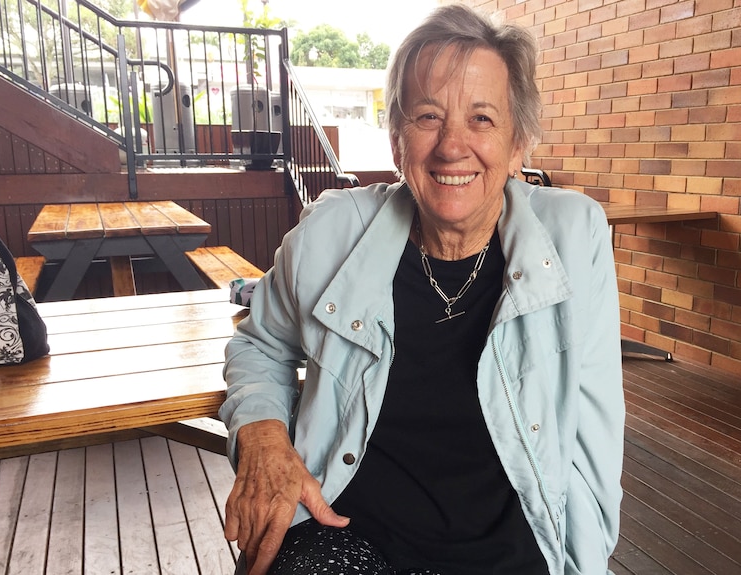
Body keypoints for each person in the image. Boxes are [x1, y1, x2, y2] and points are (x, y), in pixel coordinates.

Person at [219, 4, 625, 574]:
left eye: (482, 118)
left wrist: (581, 559)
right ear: (396, 141)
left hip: (510, 555)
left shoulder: (573, 234)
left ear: (518, 145)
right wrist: (262, 434)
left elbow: (595, 427)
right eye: (428, 117)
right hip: (352, 543)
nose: (452, 146)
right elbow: (259, 345)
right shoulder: (331, 232)